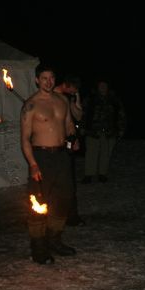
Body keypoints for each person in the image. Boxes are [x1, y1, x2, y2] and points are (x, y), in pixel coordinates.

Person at [21, 64, 77, 264]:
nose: (48, 82)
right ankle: (38, 248)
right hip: (41, 157)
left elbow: (69, 124)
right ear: (37, 80)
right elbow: (25, 139)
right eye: (44, 78)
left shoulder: (62, 100)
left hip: (61, 156)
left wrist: (73, 138)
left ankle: (54, 240)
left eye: (51, 78)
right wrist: (33, 164)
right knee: (38, 203)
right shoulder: (31, 105)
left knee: (63, 199)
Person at [53, 74, 85, 226]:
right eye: (74, 88)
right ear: (66, 84)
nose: (75, 91)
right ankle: (55, 214)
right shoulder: (52, 96)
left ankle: (71, 216)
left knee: (69, 181)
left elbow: (78, 116)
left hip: (67, 143)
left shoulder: (68, 97)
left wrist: (76, 97)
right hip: (53, 144)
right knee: (56, 182)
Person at [80, 79, 126, 183]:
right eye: (101, 85)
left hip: (110, 131)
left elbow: (121, 115)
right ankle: (89, 174)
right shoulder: (90, 99)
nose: (103, 87)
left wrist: (121, 129)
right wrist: (82, 127)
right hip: (92, 131)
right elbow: (83, 114)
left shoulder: (114, 100)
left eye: (104, 85)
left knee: (106, 153)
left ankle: (102, 174)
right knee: (91, 153)